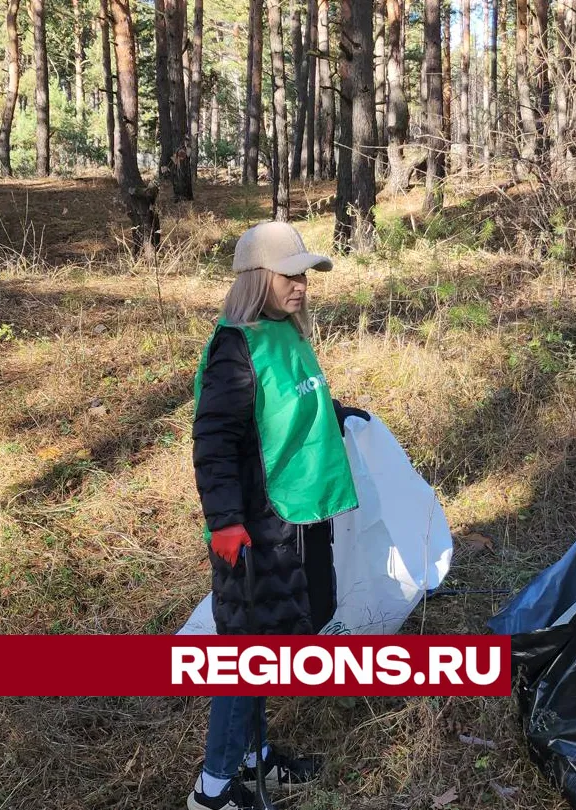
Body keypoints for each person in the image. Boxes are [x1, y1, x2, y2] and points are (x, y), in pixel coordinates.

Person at [188, 221, 368, 810]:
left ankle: (252, 755)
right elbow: (214, 440)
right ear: (258, 279)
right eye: (289, 275)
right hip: (255, 526)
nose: (301, 286)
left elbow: (289, 400)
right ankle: (213, 790)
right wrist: (225, 523)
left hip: (294, 515)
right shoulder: (234, 347)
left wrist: (335, 414)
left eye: (305, 276)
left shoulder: (285, 335)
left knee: (266, 649)